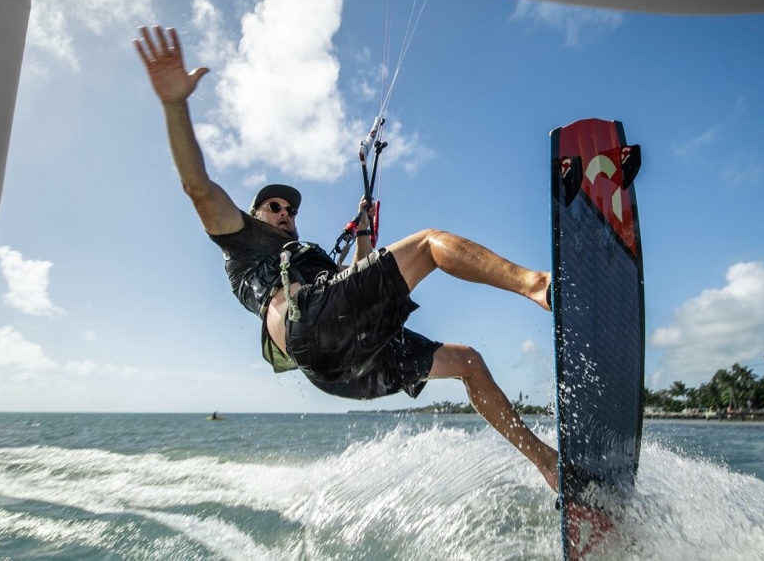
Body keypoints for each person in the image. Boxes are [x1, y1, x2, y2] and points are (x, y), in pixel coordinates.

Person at [134, 25, 559, 491]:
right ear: (254, 215)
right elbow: (198, 188)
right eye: (274, 207)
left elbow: (355, 284)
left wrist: (363, 235)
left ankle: (548, 464)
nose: (285, 213)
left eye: (290, 209)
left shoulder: (310, 261)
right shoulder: (241, 241)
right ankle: (538, 286)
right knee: (428, 244)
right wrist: (175, 105)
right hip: (309, 330)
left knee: (468, 361)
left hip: (348, 363)